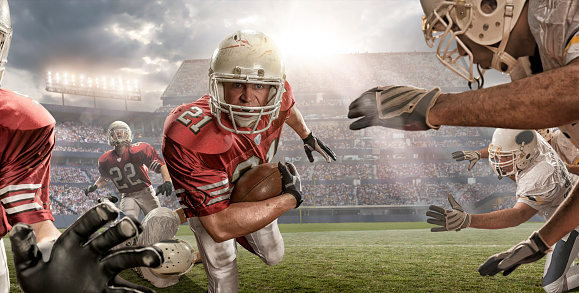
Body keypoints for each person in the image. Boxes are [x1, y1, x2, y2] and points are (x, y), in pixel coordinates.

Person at [347, 0, 579, 276]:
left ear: (490, 8)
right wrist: (539, 243)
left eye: (457, 28)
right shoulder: (534, 61)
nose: (460, 48)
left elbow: (577, 90)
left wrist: (434, 109)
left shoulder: (564, 10)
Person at [0, 0, 164, 291]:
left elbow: (36, 223)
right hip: (128, 193)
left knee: (149, 217)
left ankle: (161, 241)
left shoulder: (18, 122)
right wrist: (94, 186)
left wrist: (56, 260)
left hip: (142, 190)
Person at [162, 29, 336, 292]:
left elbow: (288, 109)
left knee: (273, 255)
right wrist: (289, 198)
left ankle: (177, 218)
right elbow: (219, 226)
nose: (247, 96)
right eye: (236, 84)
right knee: (222, 261)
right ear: (218, 86)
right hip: (211, 204)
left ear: (273, 90)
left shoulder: (280, 95)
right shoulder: (188, 132)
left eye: (258, 85)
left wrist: (307, 135)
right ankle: (178, 224)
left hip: (250, 193)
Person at [437, 129, 579, 292]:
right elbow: (506, 146)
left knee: (552, 287)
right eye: (498, 155)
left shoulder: (542, 173)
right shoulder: (534, 142)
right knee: (564, 247)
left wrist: (468, 220)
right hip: (563, 204)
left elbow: (518, 215)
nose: (499, 160)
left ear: (525, 153)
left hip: (572, 219)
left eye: (506, 157)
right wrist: (479, 154)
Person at [85, 120, 174, 220]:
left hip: (146, 192)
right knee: (128, 223)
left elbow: (161, 165)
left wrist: (167, 181)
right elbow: (105, 177)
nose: (118, 133)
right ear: (110, 136)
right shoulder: (105, 159)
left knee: (157, 221)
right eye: (114, 132)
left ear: (127, 134)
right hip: (128, 196)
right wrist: (95, 186)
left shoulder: (139, 150)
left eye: (121, 131)